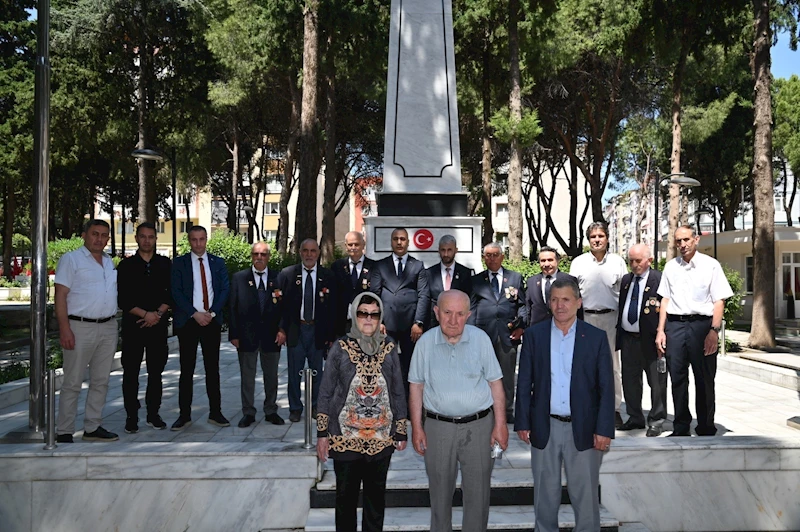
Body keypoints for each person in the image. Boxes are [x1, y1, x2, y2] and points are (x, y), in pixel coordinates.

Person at [515, 277, 614, 532]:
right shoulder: (535, 336)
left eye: (566, 300)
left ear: (578, 303)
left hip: (583, 429)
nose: (560, 305)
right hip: (544, 426)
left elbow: (606, 387)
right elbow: (524, 382)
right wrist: (523, 422)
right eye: (555, 300)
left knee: (586, 497)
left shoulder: (596, 337)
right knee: (545, 498)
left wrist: (604, 429)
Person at [409, 290, 508, 532]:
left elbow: (496, 383)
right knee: (440, 495)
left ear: (469, 315)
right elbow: (416, 387)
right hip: (437, 428)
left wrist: (500, 425)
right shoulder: (424, 344)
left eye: (460, 314)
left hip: (479, 427)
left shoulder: (481, 339)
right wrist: (417, 428)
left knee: (478, 494)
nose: (453, 320)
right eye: (447, 313)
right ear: (436, 312)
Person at [316, 292, 408, 532]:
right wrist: (322, 434)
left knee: (375, 502)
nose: (368, 319)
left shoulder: (389, 347)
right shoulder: (340, 347)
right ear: (354, 315)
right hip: (344, 438)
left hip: (381, 438)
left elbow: (398, 389)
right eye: (363, 313)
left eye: (374, 314)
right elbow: (325, 391)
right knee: (345, 502)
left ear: (380, 318)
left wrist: (400, 429)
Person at [656, 225, 732, 437]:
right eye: (678, 241)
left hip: (702, 326)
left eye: (686, 239)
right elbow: (665, 299)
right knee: (677, 378)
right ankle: (681, 426)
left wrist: (714, 331)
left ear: (696, 239)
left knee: (704, 379)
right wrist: (661, 331)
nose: (682, 244)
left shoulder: (711, 266)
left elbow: (719, 301)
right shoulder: (671, 267)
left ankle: (706, 426)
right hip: (675, 326)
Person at [54, 219, 120, 443]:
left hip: (108, 327)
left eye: (104, 235)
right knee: (72, 381)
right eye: (95, 234)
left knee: (101, 381)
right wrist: (65, 329)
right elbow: (60, 296)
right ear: (85, 235)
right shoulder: (71, 260)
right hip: (79, 327)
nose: (99, 239)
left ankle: (93, 427)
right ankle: (64, 430)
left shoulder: (109, 262)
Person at [170, 225, 231, 431]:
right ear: (189, 241)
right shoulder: (179, 263)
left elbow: (224, 290)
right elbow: (176, 292)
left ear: (207, 239)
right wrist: (194, 313)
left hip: (211, 322)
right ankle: (184, 415)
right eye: (194, 240)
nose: (198, 243)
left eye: (202, 239)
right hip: (188, 322)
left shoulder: (218, 263)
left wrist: (211, 313)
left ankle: (216, 412)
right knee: (186, 370)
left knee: (212, 369)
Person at [569, 221, 628, 428]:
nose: (597, 240)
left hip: (611, 319)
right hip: (586, 318)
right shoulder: (578, 263)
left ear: (607, 238)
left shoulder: (618, 262)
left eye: (600, 236)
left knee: (612, 366)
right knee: (585, 365)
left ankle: (614, 409)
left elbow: (624, 293)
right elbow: (571, 292)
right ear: (588, 240)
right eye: (593, 237)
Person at [117, 222, 172, 434]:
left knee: (156, 373)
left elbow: (171, 294)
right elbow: (123, 299)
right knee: (130, 373)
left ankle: (153, 414)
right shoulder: (126, 266)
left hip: (157, 327)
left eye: (151, 236)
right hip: (134, 327)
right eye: (143, 236)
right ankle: (131, 416)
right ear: (136, 239)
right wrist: (145, 315)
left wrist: (157, 314)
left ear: (156, 239)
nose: (147, 240)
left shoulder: (165, 264)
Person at [278, 238, 337, 423]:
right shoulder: (288, 274)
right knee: (295, 371)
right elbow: (280, 305)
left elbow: (332, 309)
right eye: (305, 251)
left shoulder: (327, 276)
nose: (309, 254)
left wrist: (331, 335)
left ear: (318, 253)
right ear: (300, 252)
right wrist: (281, 329)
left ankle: (316, 407)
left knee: (317, 372)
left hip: (317, 331)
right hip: (297, 329)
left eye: (313, 251)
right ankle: (295, 408)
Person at [229, 241, 286, 427]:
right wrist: (234, 334)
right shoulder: (239, 278)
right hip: (247, 336)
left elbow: (287, 307)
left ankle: (271, 410)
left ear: (269, 257)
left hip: (271, 336)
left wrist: (282, 329)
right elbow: (232, 308)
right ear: (251, 256)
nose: (259, 258)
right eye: (256, 254)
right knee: (247, 376)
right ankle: (248, 412)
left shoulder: (278, 278)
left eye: (263, 254)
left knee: (271, 376)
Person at [468, 242, 526, 423]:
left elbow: (523, 305)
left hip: (507, 335)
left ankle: (507, 411)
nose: (491, 258)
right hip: (483, 335)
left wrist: (520, 326)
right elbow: (471, 308)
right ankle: (485, 409)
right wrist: (471, 334)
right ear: (483, 258)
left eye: (495, 255)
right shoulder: (476, 280)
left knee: (507, 376)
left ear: (502, 256)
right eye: (488, 255)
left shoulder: (515, 278)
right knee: (482, 374)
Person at [369, 228, 430, 395]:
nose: (399, 242)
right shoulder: (380, 265)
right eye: (395, 238)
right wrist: (378, 321)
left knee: (410, 367)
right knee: (385, 365)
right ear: (391, 242)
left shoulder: (417, 266)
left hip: (411, 326)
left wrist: (418, 323)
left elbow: (424, 295)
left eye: (402, 239)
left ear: (408, 242)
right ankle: (387, 405)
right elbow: (374, 294)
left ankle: (409, 406)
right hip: (386, 326)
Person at [615, 243, 667, 436]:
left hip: (651, 340)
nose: (634, 264)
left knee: (657, 381)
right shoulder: (627, 280)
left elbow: (666, 309)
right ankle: (635, 417)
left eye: (638, 260)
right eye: (631, 261)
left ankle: (656, 420)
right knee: (630, 381)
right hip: (629, 339)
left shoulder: (659, 279)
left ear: (649, 260)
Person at [331, 231, 375, 337]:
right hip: (342, 324)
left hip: (365, 323)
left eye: (357, 244)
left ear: (363, 245)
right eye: (350, 245)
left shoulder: (374, 267)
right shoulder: (337, 267)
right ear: (346, 246)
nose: (353, 247)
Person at [425, 234, 472, 329]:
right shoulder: (429, 273)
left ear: (456, 250)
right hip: (433, 325)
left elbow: (468, 301)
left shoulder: (465, 273)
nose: (446, 254)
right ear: (439, 251)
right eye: (443, 250)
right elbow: (425, 300)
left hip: (457, 325)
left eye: (449, 250)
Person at [525, 246, 581, 326]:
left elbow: (577, 307)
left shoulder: (569, 280)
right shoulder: (531, 281)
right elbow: (528, 308)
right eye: (543, 261)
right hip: (538, 329)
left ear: (557, 261)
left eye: (550, 260)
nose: (546, 264)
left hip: (564, 328)